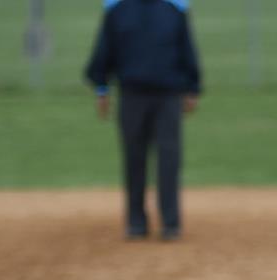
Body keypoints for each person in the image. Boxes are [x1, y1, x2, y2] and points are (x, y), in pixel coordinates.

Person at [84, 0, 203, 241]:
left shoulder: (174, 9)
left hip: (168, 95)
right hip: (132, 94)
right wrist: (101, 88)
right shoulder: (117, 9)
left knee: (168, 159)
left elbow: (185, 47)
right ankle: (136, 222)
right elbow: (105, 48)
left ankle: (171, 223)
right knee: (134, 157)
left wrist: (192, 87)